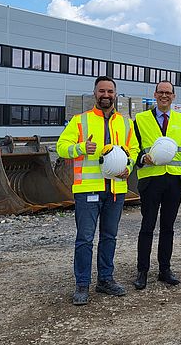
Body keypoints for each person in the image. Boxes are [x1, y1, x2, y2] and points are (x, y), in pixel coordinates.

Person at [57, 76, 139, 305]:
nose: (106, 95)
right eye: (101, 91)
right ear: (95, 93)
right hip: (88, 189)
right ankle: (82, 285)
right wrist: (82, 147)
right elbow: (61, 147)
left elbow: (134, 148)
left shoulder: (125, 122)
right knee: (84, 238)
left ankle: (105, 280)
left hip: (115, 188)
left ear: (115, 94)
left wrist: (128, 166)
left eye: (110, 91)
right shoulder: (79, 121)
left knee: (109, 236)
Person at [132, 80, 181, 290]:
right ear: (155, 94)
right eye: (161, 92)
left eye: (168, 93)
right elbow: (134, 148)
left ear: (174, 96)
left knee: (168, 227)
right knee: (147, 226)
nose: (164, 96)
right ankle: (142, 271)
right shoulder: (140, 119)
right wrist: (141, 157)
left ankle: (164, 270)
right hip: (151, 179)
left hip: (174, 179)